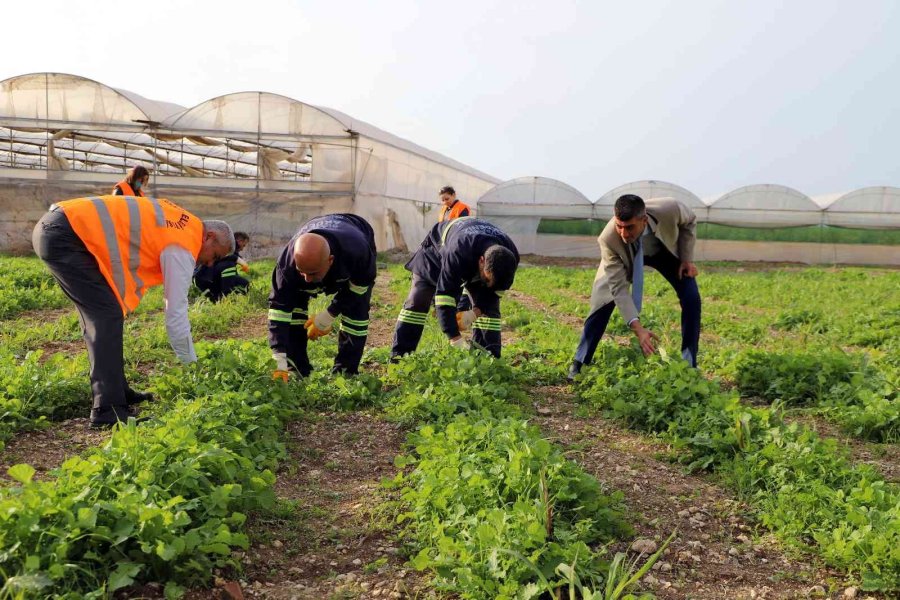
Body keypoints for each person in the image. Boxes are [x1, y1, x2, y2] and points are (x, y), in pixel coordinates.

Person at [32, 195, 235, 427]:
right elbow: (176, 313)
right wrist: (192, 366)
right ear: (209, 237)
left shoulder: (182, 223)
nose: (210, 264)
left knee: (107, 313)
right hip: (66, 235)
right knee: (106, 315)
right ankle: (107, 410)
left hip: (60, 226)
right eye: (215, 256)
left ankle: (117, 391)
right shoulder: (183, 242)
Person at [568, 194, 701, 381]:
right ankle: (580, 362)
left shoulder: (670, 208)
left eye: (629, 227)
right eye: (619, 226)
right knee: (603, 300)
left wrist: (687, 258)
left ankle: (689, 363)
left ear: (644, 220)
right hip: (625, 258)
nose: (623, 233)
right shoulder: (609, 239)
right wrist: (638, 329)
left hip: (663, 251)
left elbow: (690, 222)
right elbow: (619, 289)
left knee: (691, 298)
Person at [391, 217, 519, 359]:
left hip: (474, 254)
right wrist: (454, 338)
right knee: (418, 299)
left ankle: (488, 359)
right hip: (435, 252)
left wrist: (476, 312)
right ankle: (400, 358)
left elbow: (494, 291)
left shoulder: (510, 255)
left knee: (491, 310)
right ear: (481, 261)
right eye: (487, 278)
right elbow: (444, 296)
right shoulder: (459, 250)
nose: (488, 284)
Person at [268, 214, 376, 379]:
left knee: (356, 314)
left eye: (312, 273)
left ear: (330, 260)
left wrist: (328, 314)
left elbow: (358, 288)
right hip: (318, 233)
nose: (307, 279)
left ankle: (345, 373)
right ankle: (296, 368)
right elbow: (279, 311)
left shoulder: (357, 252)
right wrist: (279, 358)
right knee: (294, 311)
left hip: (356, 232)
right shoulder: (286, 265)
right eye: (301, 272)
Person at [437, 185, 474, 310]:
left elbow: (463, 227)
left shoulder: (463, 208)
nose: (445, 202)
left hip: (457, 245)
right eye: (442, 200)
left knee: (457, 274)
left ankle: (459, 305)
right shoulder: (444, 209)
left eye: (447, 198)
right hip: (445, 245)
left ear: (454, 195)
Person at [194, 231, 251, 302]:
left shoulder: (232, 253)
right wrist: (239, 260)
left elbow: (231, 276)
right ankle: (226, 297)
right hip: (206, 279)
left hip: (214, 280)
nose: (242, 249)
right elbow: (223, 256)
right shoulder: (223, 246)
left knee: (245, 284)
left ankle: (223, 300)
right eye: (243, 245)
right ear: (239, 241)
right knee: (228, 265)